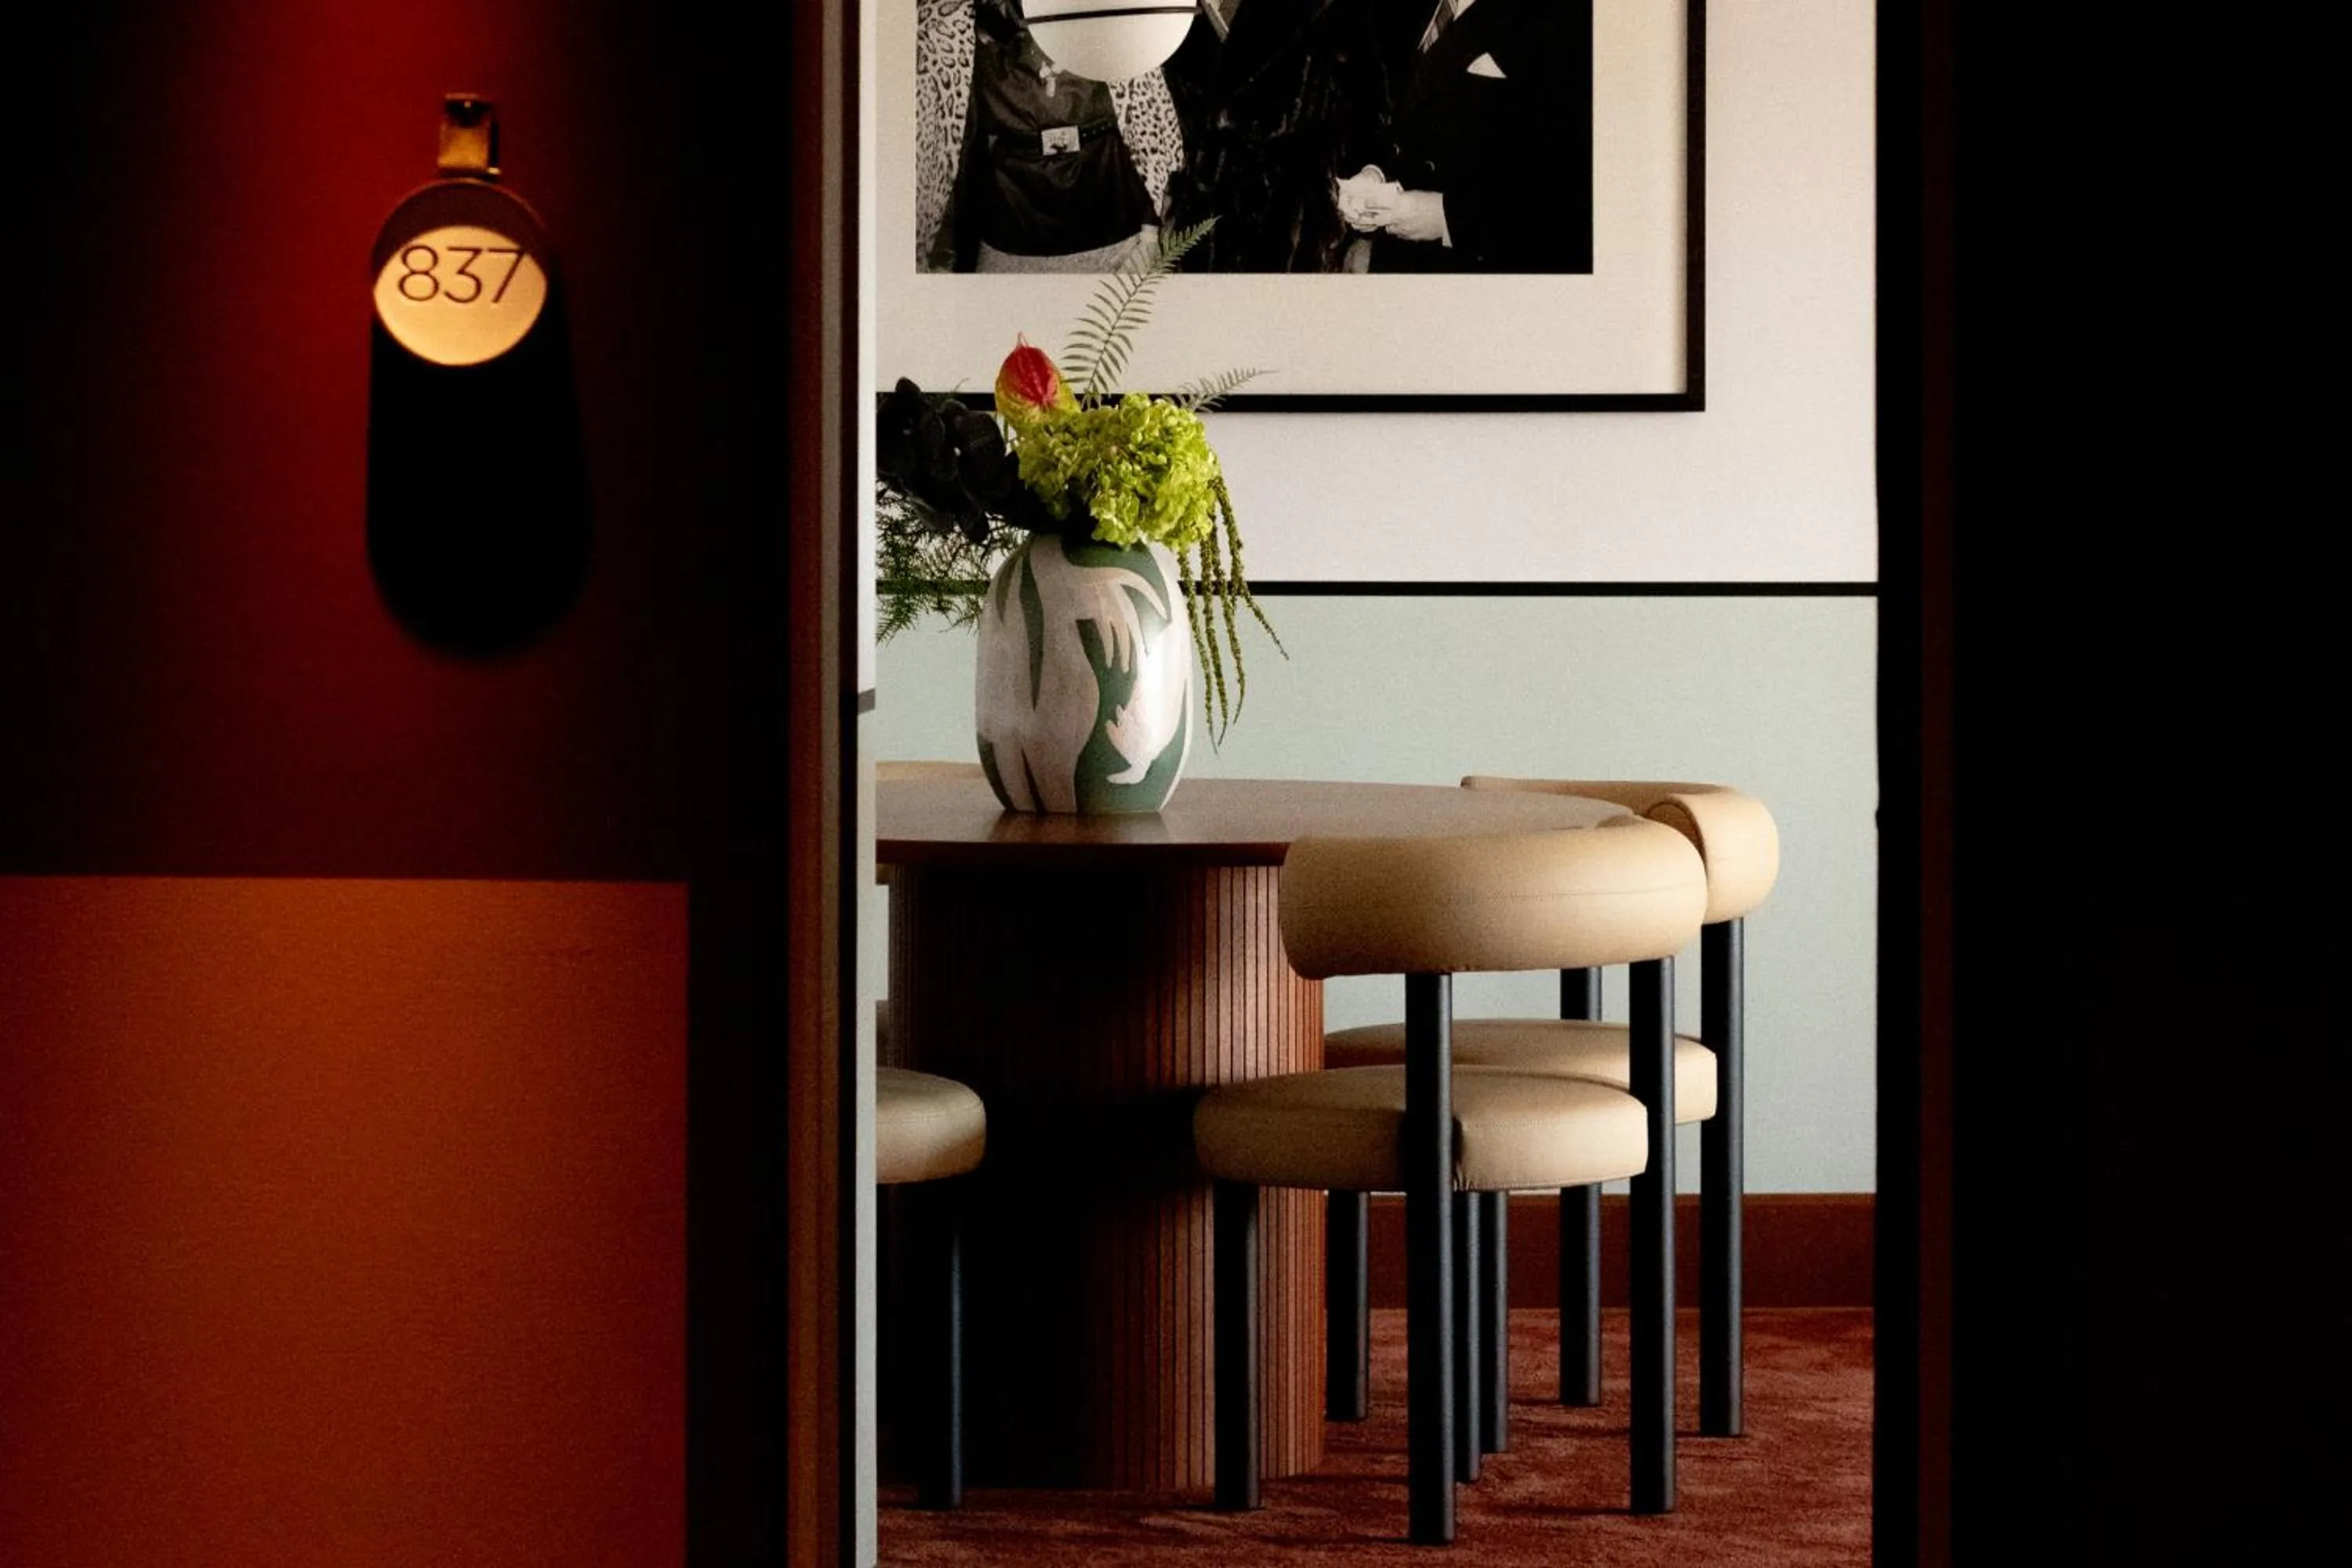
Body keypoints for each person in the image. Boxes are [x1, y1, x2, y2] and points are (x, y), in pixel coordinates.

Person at [915, 0, 1188, 273]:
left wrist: (1150, 233)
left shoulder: (1112, 14)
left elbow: (1145, 127)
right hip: (1012, 226)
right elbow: (944, 148)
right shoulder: (951, 23)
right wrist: (937, 253)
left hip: (1113, 220)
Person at [1339, 0, 1594, 274]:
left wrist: (1448, 219)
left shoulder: (1571, 18)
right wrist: (1374, 174)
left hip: (1484, 274)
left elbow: (1572, 188)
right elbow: (1394, 109)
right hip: (1396, 262)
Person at [1158, 0, 1397, 273]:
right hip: (1203, 221)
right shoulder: (1172, 14)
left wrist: (1370, 176)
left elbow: (1371, 109)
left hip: (1288, 226)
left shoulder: (1338, 9)